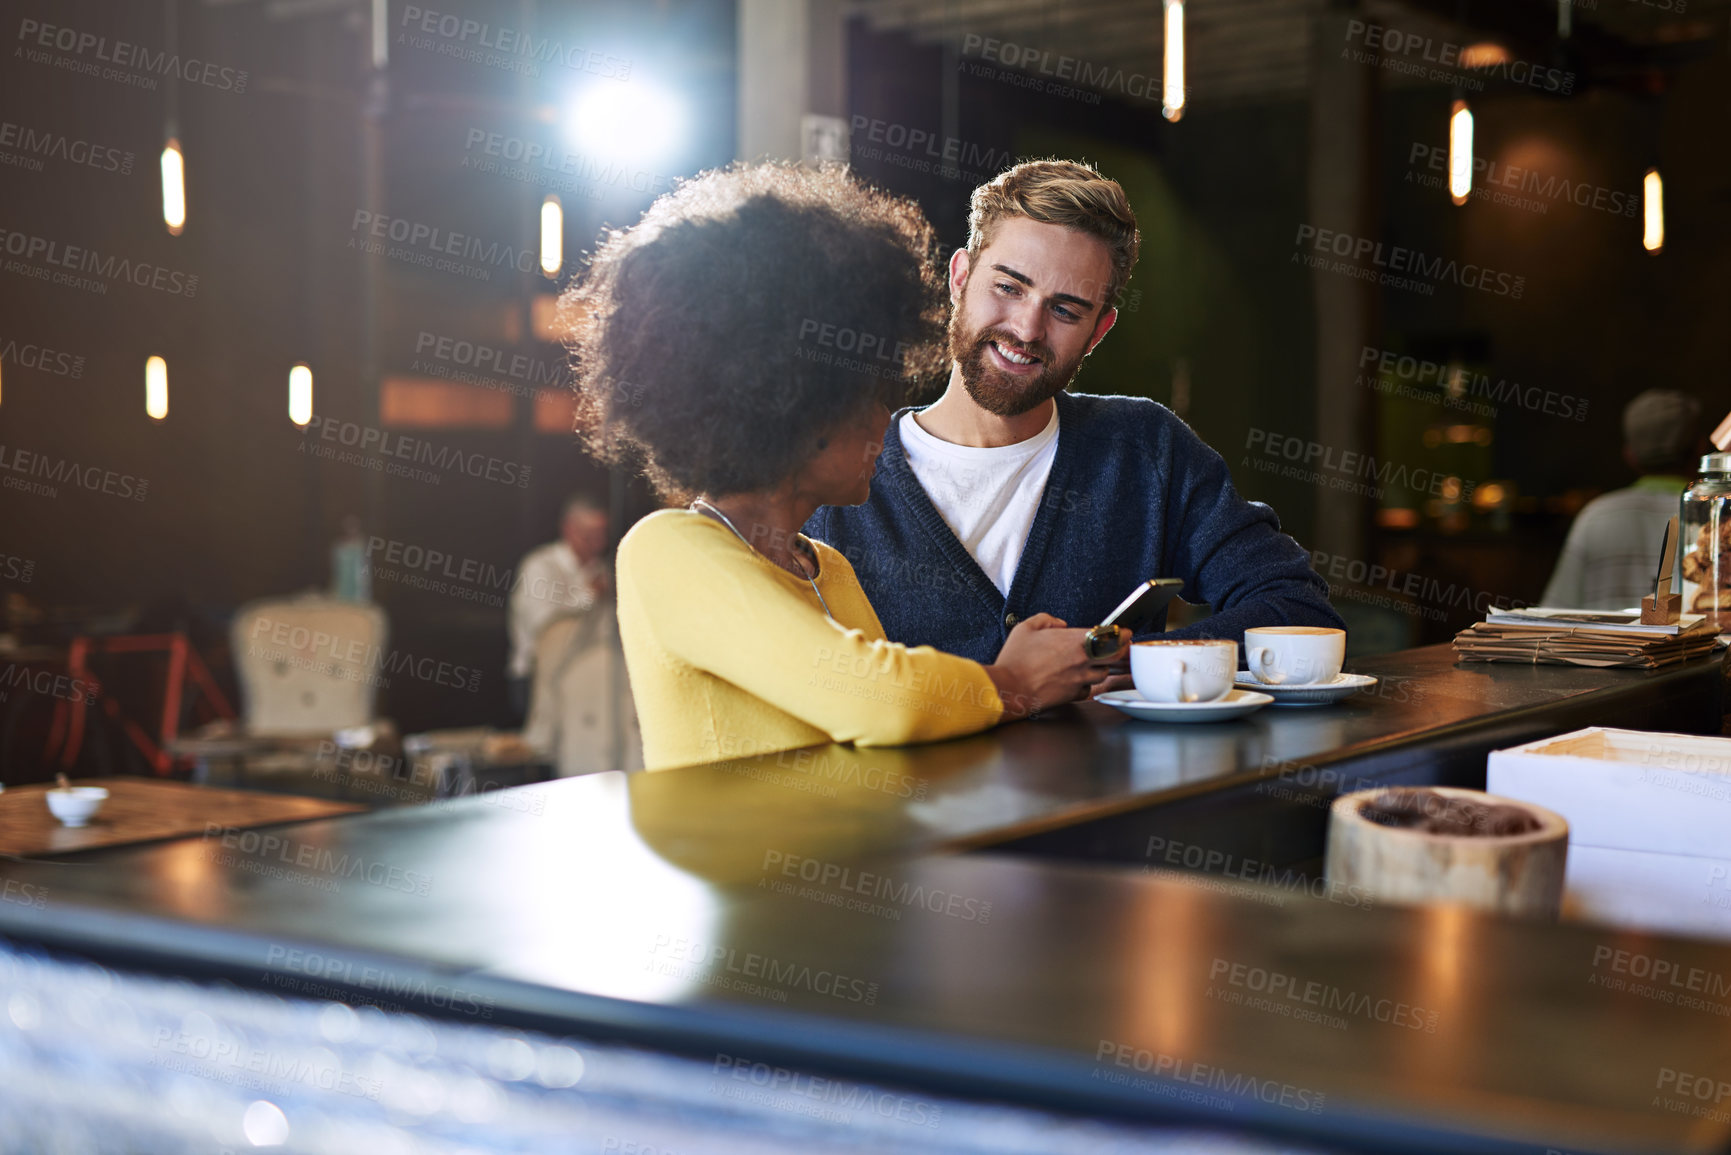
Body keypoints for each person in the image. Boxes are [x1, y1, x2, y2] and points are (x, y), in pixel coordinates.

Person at [561, 163, 1126, 772]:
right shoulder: (666, 550)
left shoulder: (826, 568)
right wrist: (1012, 680)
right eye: (868, 396)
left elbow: (895, 742)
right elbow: (883, 703)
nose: (887, 420)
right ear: (797, 408)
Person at [805, 160, 1343, 667]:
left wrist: (1114, 659)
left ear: (1098, 332)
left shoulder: (1146, 451)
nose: (1026, 329)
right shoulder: (835, 479)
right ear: (960, 278)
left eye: (1065, 309)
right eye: (1009, 287)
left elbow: (1296, 609)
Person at [1541, 389, 1704, 610]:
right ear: (1700, 449)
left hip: (1601, 645)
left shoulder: (1596, 515)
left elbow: (1554, 610)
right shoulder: (1714, 514)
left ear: (1630, 455)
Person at [506, 495, 611, 719]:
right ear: (568, 529)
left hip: (587, 680)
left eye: (602, 535)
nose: (599, 544)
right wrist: (589, 595)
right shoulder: (540, 565)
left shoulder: (602, 570)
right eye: (589, 536)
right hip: (537, 678)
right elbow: (543, 626)